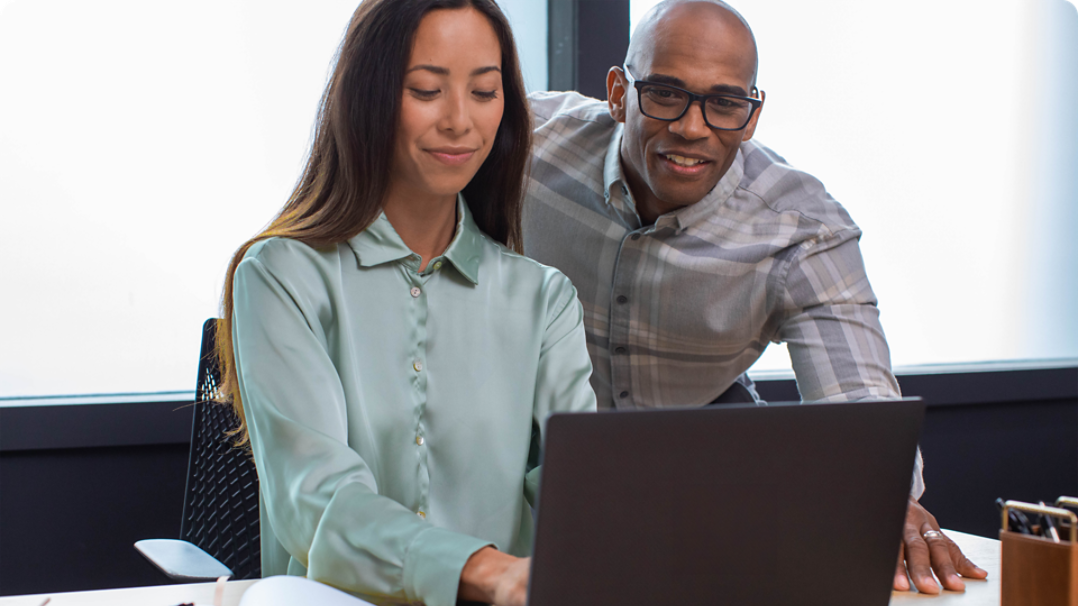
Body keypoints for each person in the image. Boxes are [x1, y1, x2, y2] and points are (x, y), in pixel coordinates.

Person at [522, 0, 987, 595]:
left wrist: (880, 497)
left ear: (751, 115)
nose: (693, 127)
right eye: (665, 93)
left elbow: (858, 403)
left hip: (694, 482)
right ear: (619, 93)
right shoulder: (525, 146)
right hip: (520, 456)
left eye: (724, 103)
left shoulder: (801, 228)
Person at [217, 2, 593, 605]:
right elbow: (318, 502)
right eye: (426, 90)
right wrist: (484, 570)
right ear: (368, 97)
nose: (459, 121)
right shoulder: (281, 276)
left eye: (484, 91)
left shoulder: (544, 299)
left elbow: (580, 499)